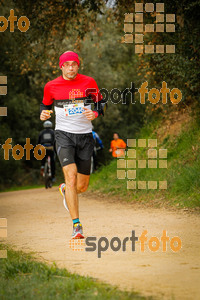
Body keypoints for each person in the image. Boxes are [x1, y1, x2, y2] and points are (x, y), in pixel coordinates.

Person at [40, 51, 105, 239]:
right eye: (67, 64)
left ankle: (65, 190)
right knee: (71, 177)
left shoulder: (89, 82)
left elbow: (100, 104)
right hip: (63, 136)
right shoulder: (51, 86)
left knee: (81, 186)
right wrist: (43, 114)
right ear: (61, 66)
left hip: (85, 137)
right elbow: (44, 106)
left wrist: (96, 114)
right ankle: (77, 226)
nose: (70, 68)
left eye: (74, 64)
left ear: (78, 65)